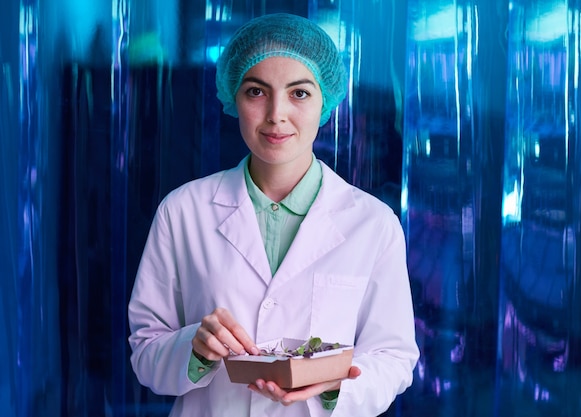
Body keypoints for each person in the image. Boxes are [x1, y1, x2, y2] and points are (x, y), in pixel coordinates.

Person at [128, 12, 419, 417]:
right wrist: (195, 348)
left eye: (299, 93)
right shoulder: (182, 212)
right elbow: (145, 352)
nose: (277, 114)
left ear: (326, 101)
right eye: (256, 92)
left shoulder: (373, 224)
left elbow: (394, 357)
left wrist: (335, 386)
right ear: (234, 97)